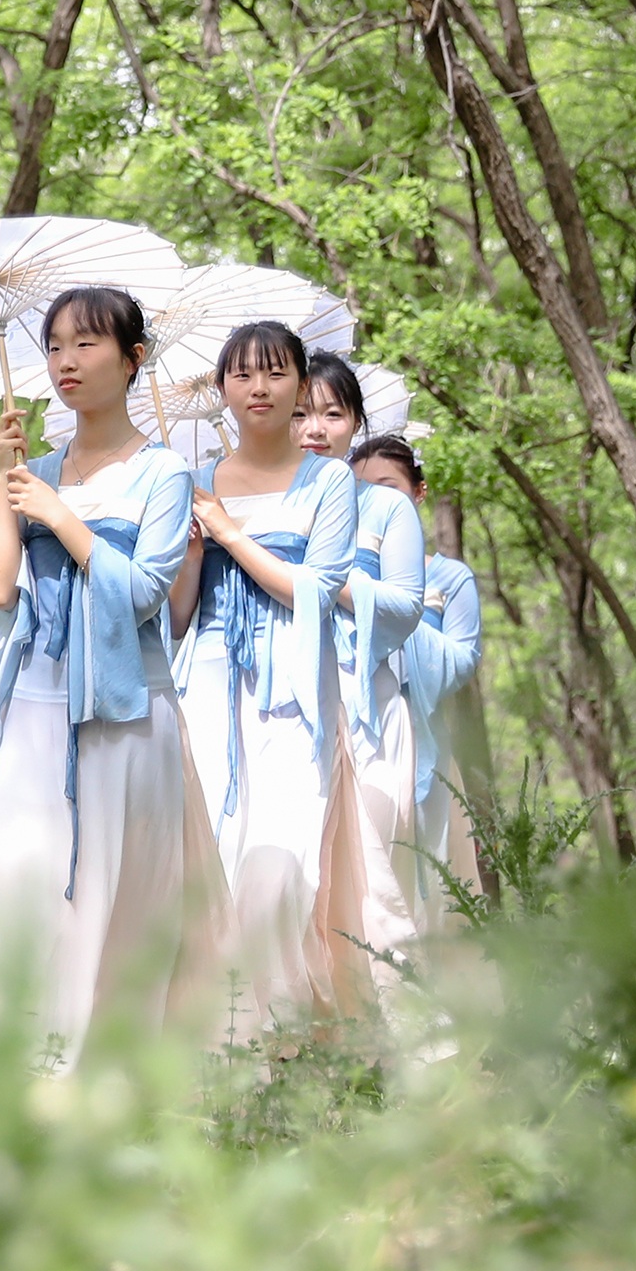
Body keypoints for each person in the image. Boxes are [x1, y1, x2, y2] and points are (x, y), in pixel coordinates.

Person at [0, 287, 223, 1068]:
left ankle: (111, 1070)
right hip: (37, 708)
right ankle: (16, 1069)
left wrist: (62, 516)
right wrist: (8, 482)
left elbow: (143, 594)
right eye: (55, 346)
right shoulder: (34, 471)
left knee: (117, 892)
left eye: (86, 343)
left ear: (133, 358)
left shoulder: (165, 473)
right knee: (28, 884)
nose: (65, 361)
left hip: (124, 713)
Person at [168, 319, 366, 1027]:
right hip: (207, 684)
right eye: (243, 373)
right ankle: (223, 1036)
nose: (259, 387)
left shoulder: (330, 480)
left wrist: (229, 533)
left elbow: (316, 589)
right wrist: (192, 555)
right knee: (213, 863)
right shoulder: (194, 484)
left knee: (279, 869)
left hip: (293, 688)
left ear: (300, 385)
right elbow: (179, 618)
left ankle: (283, 1026)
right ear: (222, 387)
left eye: (277, 372)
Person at [298, 355, 427, 966]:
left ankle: (386, 1008)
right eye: (300, 413)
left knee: (373, 877)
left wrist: (324, 577)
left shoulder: (385, 508)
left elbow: (404, 606)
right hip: (286, 708)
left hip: (368, 706)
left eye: (332, 413)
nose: (314, 429)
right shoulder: (262, 504)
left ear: (355, 423)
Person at [355, 433, 484, 903]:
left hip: (422, 729)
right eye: (360, 488)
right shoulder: (345, 565)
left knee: (430, 869)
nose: (372, 498)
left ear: (418, 491)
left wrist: (402, 616)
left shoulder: (450, 577)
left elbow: (462, 659)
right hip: (360, 721)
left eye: (386, 487)